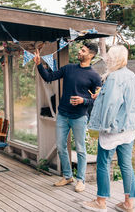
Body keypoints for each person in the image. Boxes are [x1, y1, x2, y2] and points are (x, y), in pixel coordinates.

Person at [33, 42, 101, 192]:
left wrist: (84, 100)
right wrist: (39, 65)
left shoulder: (95, 76)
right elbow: (48, 77)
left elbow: (98, 98)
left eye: (83, 50)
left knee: (81, 149)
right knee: (61, 146)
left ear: (90, 55)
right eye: (80, 49)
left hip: (79, 117)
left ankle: (80, 180)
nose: (80, 51)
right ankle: (68, 176)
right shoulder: (69, 68)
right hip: (63, 115)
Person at [82, 45, 135, 212]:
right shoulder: (132, 76)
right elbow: (133, 102)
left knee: (103, 163)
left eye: (108, 56)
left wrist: (104, 126)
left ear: (114, 58)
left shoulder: (114, 77)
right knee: (126, 165)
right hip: (129, 128)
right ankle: (129, 203)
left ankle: (101, 201)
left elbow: (111, 105)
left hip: (113, 129)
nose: (106, 59)